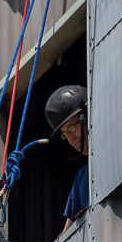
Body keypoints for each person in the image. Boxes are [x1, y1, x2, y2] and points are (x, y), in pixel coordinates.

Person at [45, 85, 90, 233]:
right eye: (65, 134)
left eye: (71, 127)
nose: (70, 138)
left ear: (87, 118)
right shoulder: (81, 177)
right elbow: (67, 232)